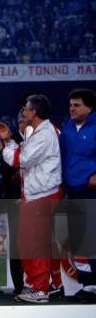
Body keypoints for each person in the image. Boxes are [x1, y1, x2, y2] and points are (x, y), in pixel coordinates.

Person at [0, 94, 62, 303]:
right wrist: (9, 140)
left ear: (34, 112)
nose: (24, 112)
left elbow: (22, 160)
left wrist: (3, 148)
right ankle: (33, 286)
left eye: (27, 109)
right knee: (26, 243)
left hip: (42, 195)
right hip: (34, 193)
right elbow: (22, 155)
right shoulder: (36, 132)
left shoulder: (45, 134)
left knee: (36, 244)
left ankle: (40, 290)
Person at [59, 88, 96, 303]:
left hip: (91, 191)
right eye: (71, 105)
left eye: (77, 105)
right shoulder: (68, 128)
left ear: (89, 107)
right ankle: (88, 284)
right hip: (72, 190)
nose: (72, 108)